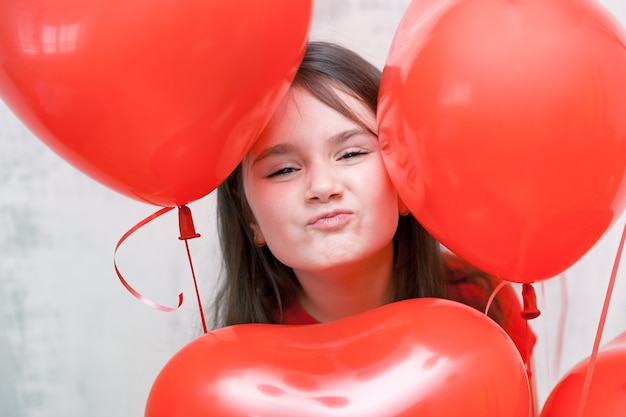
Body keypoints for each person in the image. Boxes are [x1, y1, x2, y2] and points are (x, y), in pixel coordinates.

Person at [213, 40, 536, 365]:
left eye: (352, 153)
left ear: (403, 178)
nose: (323, 187)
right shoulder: (239, 367)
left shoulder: (482, 303)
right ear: (249, 217)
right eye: (284, 170)